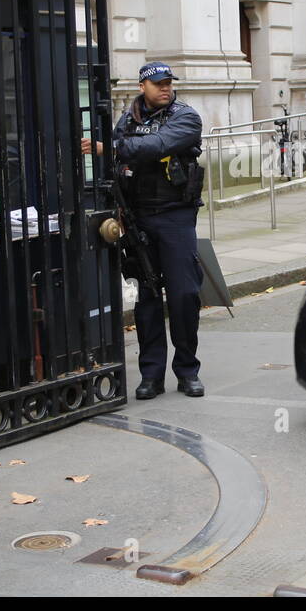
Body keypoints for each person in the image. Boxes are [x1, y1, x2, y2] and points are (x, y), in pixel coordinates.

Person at [80, 62, 206, 398]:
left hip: (175, 217)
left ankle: (187, 370)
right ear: (142, 86)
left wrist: (114, 148)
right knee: (146, 298)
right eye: (158, 84)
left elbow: (158, 146)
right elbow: (119, 164)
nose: (165, 88)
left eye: (168, 83)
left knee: (183, 295)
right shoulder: (126, 120)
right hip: (137, 219)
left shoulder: (185, 116)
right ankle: (151, 375)